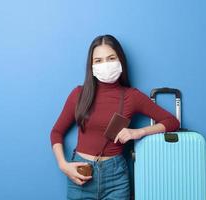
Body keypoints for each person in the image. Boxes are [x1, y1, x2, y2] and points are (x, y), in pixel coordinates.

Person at [50, 34, 180, 200]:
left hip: (116, 177)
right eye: (98, 60)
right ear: (91, 66)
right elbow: (56, 132)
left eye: (111, 58)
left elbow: (172, 122)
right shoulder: (79, 94)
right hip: (81, 174)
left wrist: (138, 132)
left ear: (120, 61)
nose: (105, 65)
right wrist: (63, 165)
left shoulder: (132, 96)